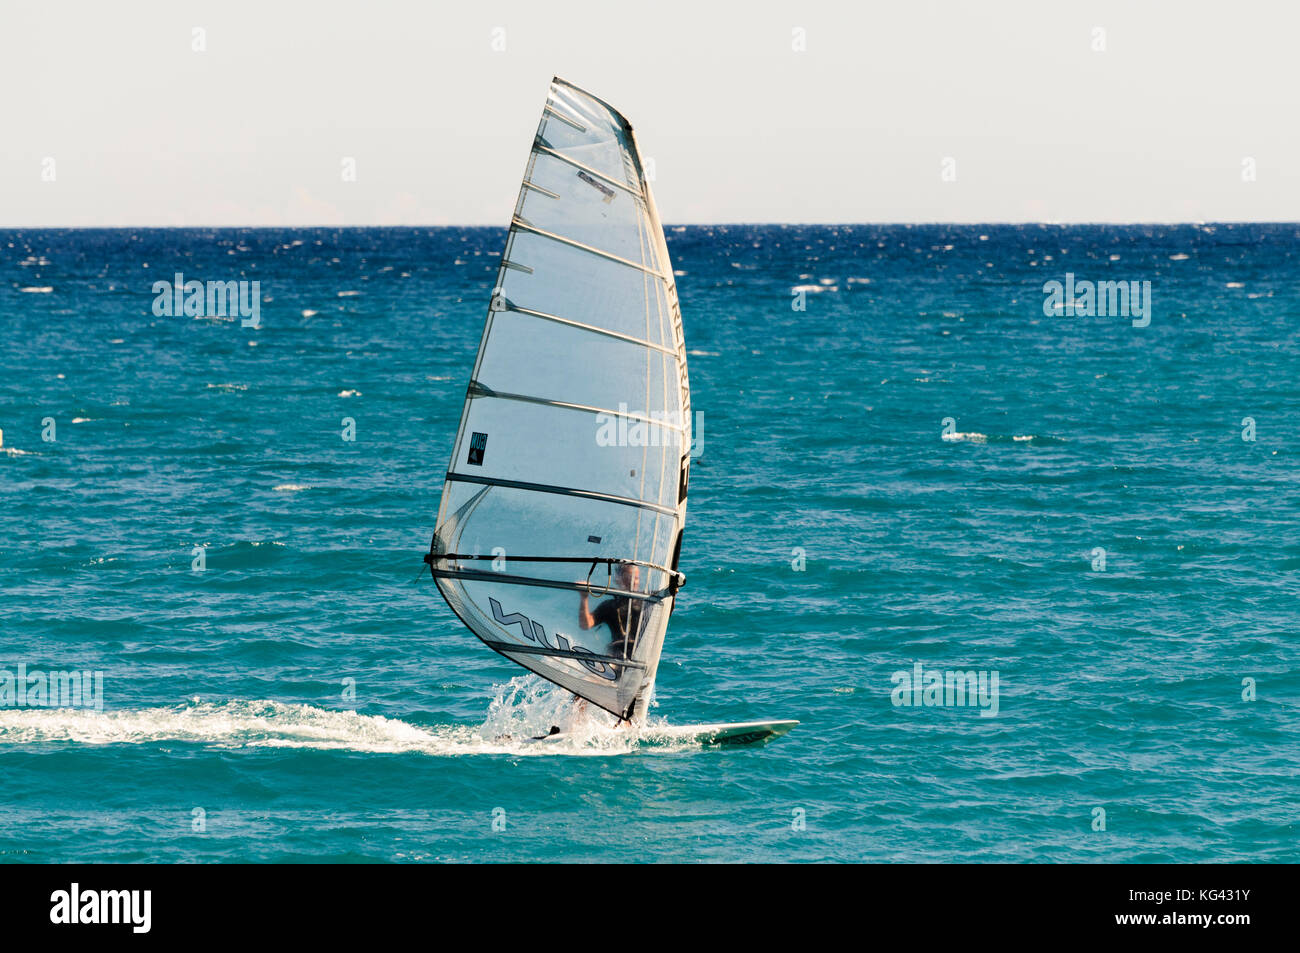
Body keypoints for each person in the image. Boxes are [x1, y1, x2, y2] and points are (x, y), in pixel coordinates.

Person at [578, 562, 644, 663]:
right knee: (601, 671)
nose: (634, 582)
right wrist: (584, 598)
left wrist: (672, 593)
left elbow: (665, 611)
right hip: (615, 651)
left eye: (637, 578)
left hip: (640, 651)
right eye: (630, 577)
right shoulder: (609, 605)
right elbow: (585, 624)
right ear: (618, 579)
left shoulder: (647, 600)